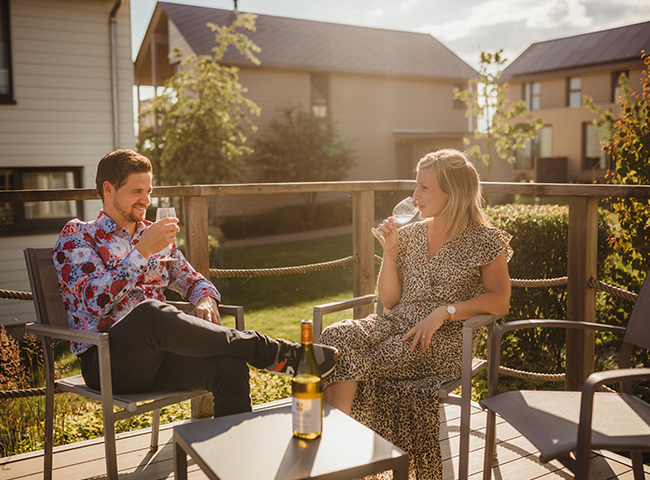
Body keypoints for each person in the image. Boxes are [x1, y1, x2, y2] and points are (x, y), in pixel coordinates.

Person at [52, 149, 338, 417]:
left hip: (160, 358)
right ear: (108, 189)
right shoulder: (78, 236)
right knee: (151, 313)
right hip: (107, 363)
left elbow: (193, 281)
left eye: (148, 191)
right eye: (136, 191)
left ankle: (233, 461)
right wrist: (142, 252)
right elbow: (96, 301)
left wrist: (204, 299)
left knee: (229, 366)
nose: (145, 200)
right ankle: (267, 351)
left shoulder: (155, 235)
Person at [319, 148, 512, 479]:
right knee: (333, 338)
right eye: (416, 185)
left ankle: (337, 459)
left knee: (351, 360)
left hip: (444, 339)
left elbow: (500, 300)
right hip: (394, 322)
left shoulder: (485, 239)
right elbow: (390, 301)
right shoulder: (409, 234)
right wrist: (390, 254)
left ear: (453, 193)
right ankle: (340, 455)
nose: (414, 195)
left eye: (424, 187)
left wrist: (445, 312)